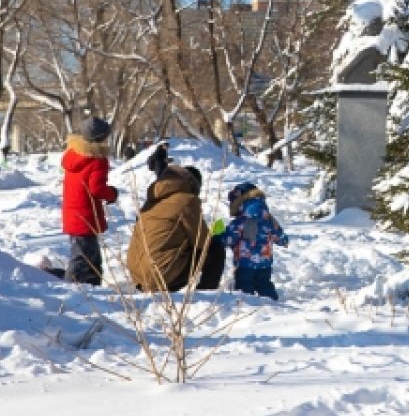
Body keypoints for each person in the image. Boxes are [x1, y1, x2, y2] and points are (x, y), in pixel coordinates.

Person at [127, 144, 225, 292]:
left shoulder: (153, 199)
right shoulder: (186, 200)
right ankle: (206, 295)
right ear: (193, 184)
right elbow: (202, 241)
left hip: (138, 275)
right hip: (160, 275)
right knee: (215, 249)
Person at [60, 116, 119, 284]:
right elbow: (96, 188)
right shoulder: (97, 160)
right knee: (82, 258)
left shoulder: (73, 154)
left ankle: (93, 286)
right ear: (101, 138)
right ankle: (70, 288)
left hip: (73, 213)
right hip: (85, 215)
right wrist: (112, 194)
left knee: (90, 256)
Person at [220, 181, 288, 300]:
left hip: (245, 264)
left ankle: (245, 307)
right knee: (264, 285)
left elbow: (229, 239)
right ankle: (274, 306)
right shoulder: (269, 219)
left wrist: (218, 237)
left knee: (244, 288)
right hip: (265, 264)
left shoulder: (241, 221)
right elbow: (280, 237)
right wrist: (283, 240)